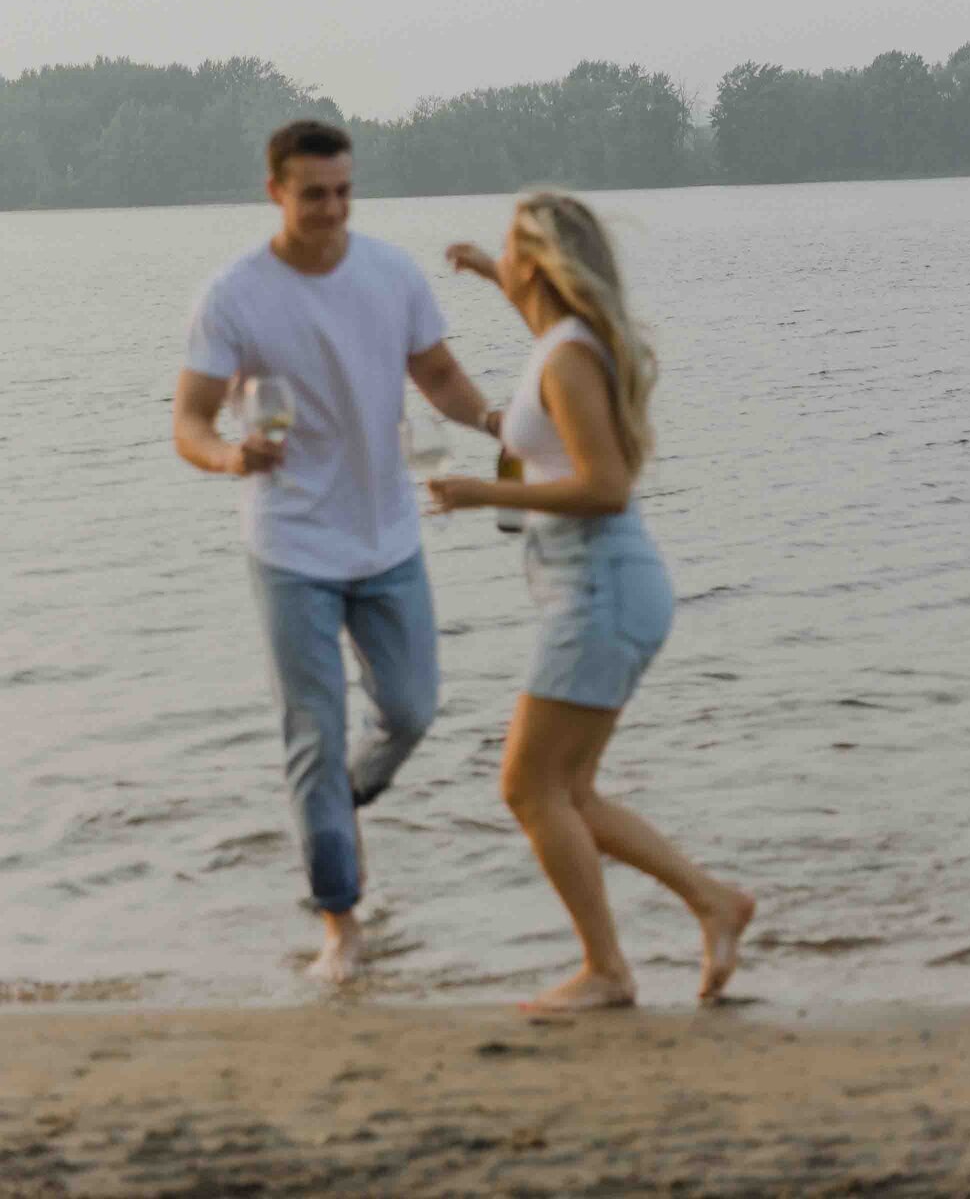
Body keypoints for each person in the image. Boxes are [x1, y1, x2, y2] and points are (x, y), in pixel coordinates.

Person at [172, 120, 499, 983]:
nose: (333, 208)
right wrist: (230, 457)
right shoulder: (234, 294)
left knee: (414, 709)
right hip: (289, 545)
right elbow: (191, 422)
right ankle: (339, 921)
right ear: (275, 191)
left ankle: (339, 805)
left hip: (388, 536)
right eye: (315, 193)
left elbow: (436, 377)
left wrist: (500, 421)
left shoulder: (391, 274)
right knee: (313, 734)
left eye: (345, 191)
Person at [433, 191, 754, 1012]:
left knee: (527, 789)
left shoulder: (571, 355)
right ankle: (714, 902)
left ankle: (606, 970)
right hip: (605, 588)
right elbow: (544, 333)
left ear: (540, 265)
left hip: (600, 591)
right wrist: (484, 273)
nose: (505, 267)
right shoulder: (560, 341)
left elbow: (608, 487)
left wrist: (476, 492)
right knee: (567, 793)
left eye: (513, 255)